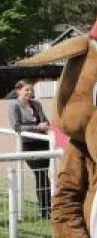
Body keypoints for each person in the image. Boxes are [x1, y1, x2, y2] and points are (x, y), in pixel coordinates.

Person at [7, 80, 52, 218]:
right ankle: (44, 210)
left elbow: (45, 121)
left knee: (43, 174)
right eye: (26, 90)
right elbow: (17, 126)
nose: (29, 93)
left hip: (43, 143)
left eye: (31, 90)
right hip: (28, 144)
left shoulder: (37, 104)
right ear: (18, 91)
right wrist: (38, 127)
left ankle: (46, 209)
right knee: (41, 174)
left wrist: (45, 124)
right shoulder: (14, 105)